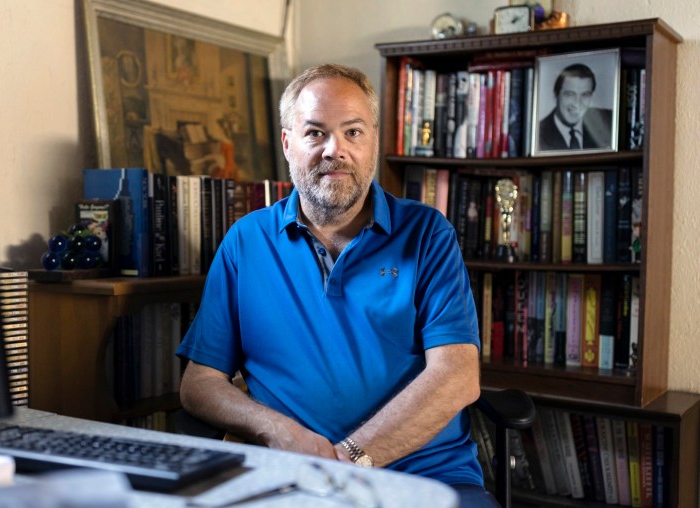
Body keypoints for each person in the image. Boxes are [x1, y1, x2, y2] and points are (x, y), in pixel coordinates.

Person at [176, 64, 497, 507]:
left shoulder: (426, 233)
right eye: (315, 133)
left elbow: (458, 377)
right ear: (288, 143)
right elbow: (199, 382)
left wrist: (346, 461)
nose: (335, 150)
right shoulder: (246, 241)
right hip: (291, 481)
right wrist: (279, 431)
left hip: (425, 479)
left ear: (373, 143)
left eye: (353, 132)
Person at [538, 63, 612, 151]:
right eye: (569, 94)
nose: (577, 103)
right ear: (556, 96)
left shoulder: (609, 120)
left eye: (585, 95)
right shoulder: (538, 133)